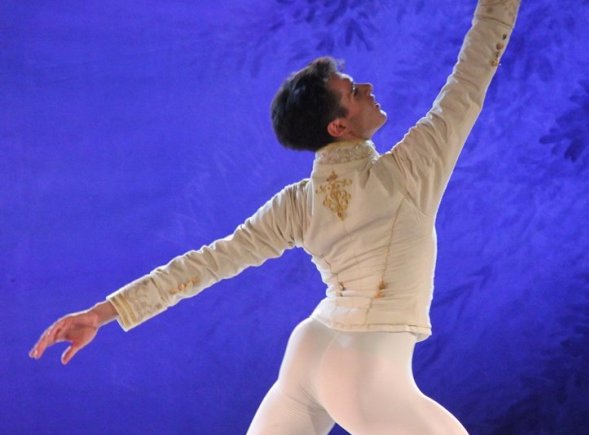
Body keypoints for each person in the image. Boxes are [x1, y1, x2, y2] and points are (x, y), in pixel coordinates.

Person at [30, 1, 521, 433]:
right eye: (353, 90)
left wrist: (102, 313)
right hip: (364, 372)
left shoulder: (296, 203)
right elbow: (472, 73)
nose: (368, 87)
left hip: (311, 350)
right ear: (339, 126)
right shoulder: (410, 172)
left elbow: (208, 262)